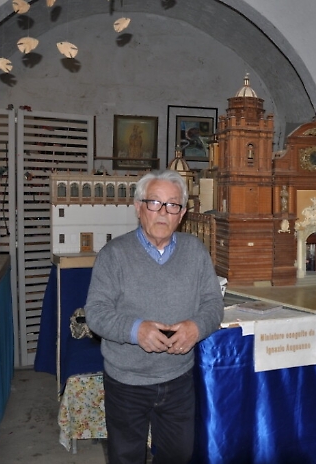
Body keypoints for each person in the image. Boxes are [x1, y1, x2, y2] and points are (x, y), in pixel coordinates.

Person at [85, 170, 224, 464]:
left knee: (179, 455)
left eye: (172, 205)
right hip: (127, 381)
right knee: (126, 457)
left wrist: (197, 327)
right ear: (138, 207)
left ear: (182, 214)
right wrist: (136, 331)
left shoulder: (196, 252)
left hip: (179, 379)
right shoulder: (113, 255)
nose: (163, 212)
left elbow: (213, 304)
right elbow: (95, 314)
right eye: (154, 203)